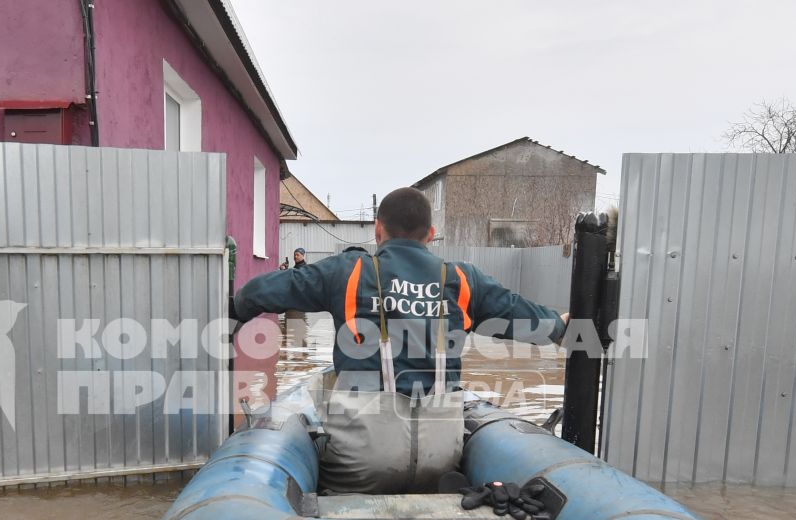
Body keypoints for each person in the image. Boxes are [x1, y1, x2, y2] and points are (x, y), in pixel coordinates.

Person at [233, 187, 565, 493]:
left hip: (360, 458)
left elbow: (269, 290)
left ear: (378, 230)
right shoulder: (463, 280)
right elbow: (520, 314)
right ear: (431, 235)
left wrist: (238, 305)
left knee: (317, 452)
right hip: (442, 454)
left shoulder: (348, 271)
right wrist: (558, 325)